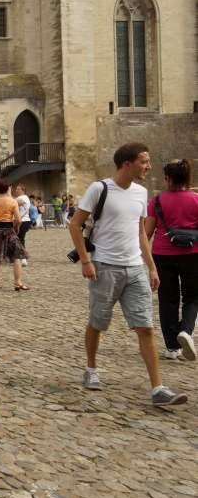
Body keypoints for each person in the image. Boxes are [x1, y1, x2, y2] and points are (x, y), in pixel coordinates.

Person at [69, 142, 187, 406]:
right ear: (127, 164)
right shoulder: (99, 189)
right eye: (144, 162)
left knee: (145, 327)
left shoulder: (141, 193)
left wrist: (151, 266)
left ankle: (158, 388)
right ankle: (91, 369)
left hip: (134, 268)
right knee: (97, 322)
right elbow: (75, 225)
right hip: (105, 267)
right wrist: (86, 261)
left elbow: (141, 233)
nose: (148, 166)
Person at [144, 159, 198, 361]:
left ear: (167, 178)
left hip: (163, 254)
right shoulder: (196, 199)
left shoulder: (157, 201)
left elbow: (147, 232)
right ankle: (186, 330)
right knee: (193, 297)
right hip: (193, 254)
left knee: (167, 300)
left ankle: (172, 347)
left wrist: (145, 259)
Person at [15, 184, 32, 265]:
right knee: (18, 239)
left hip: (23, 221)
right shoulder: (22, 197)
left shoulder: (23, 197)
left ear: (23, 190)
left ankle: (23, 258)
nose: (16, 190)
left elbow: (17, 202)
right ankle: (18, 256)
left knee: (19, 239)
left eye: (18, 189)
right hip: (22, 221)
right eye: (16, 189)